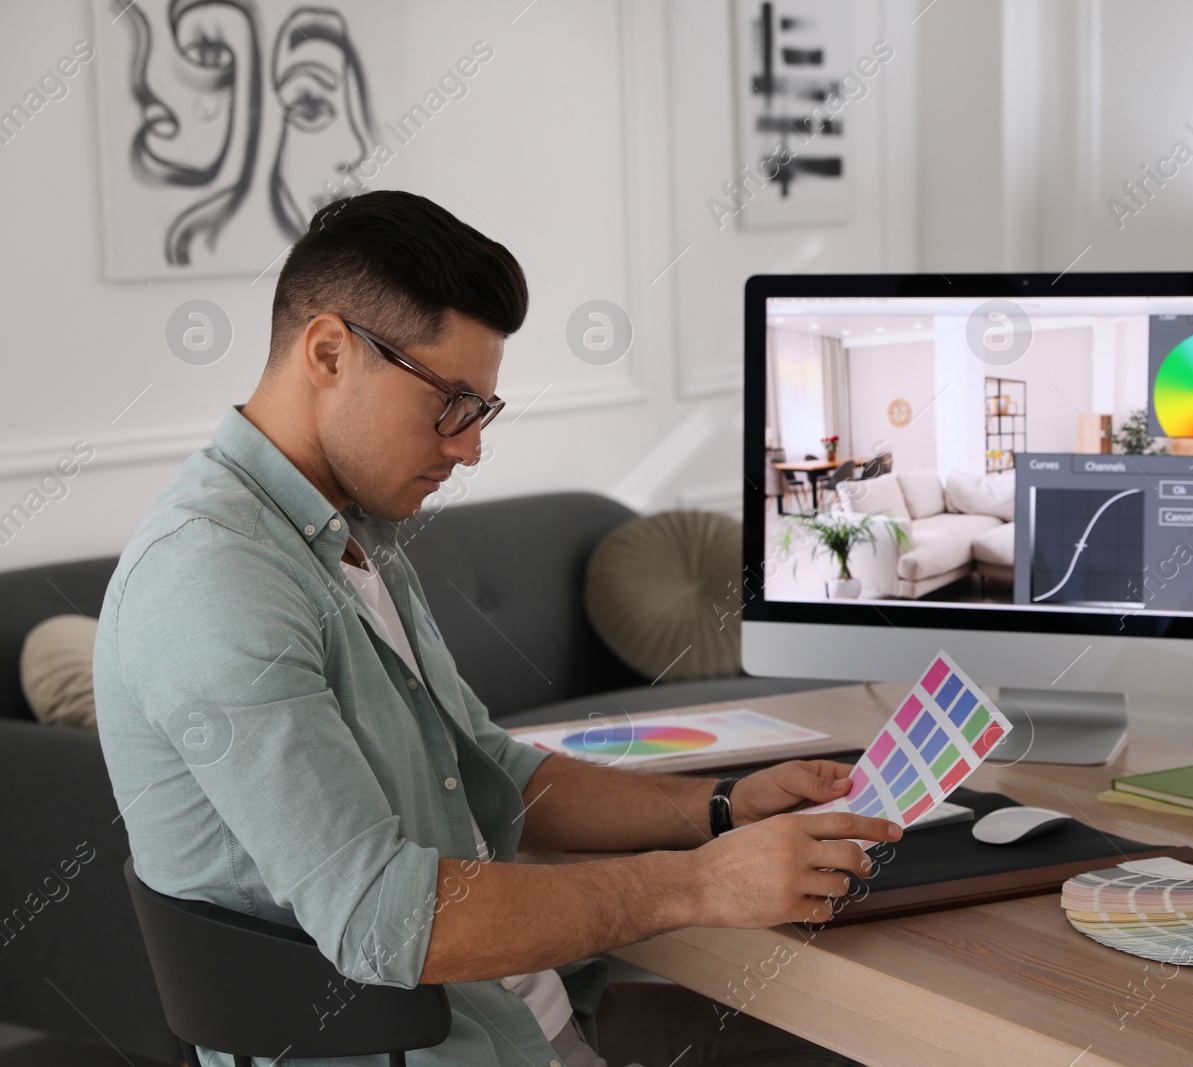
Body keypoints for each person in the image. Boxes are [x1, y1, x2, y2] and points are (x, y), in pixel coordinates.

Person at [93, 189, 901, 1067]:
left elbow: (494, 773)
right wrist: (700, 882)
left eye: (481, 410)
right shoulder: (215, 579)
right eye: (452, 402)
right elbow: (381, 918)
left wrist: (719, 807)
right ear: (329, 351)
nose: (470, 447)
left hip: (529, 1020)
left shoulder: (351, 529)